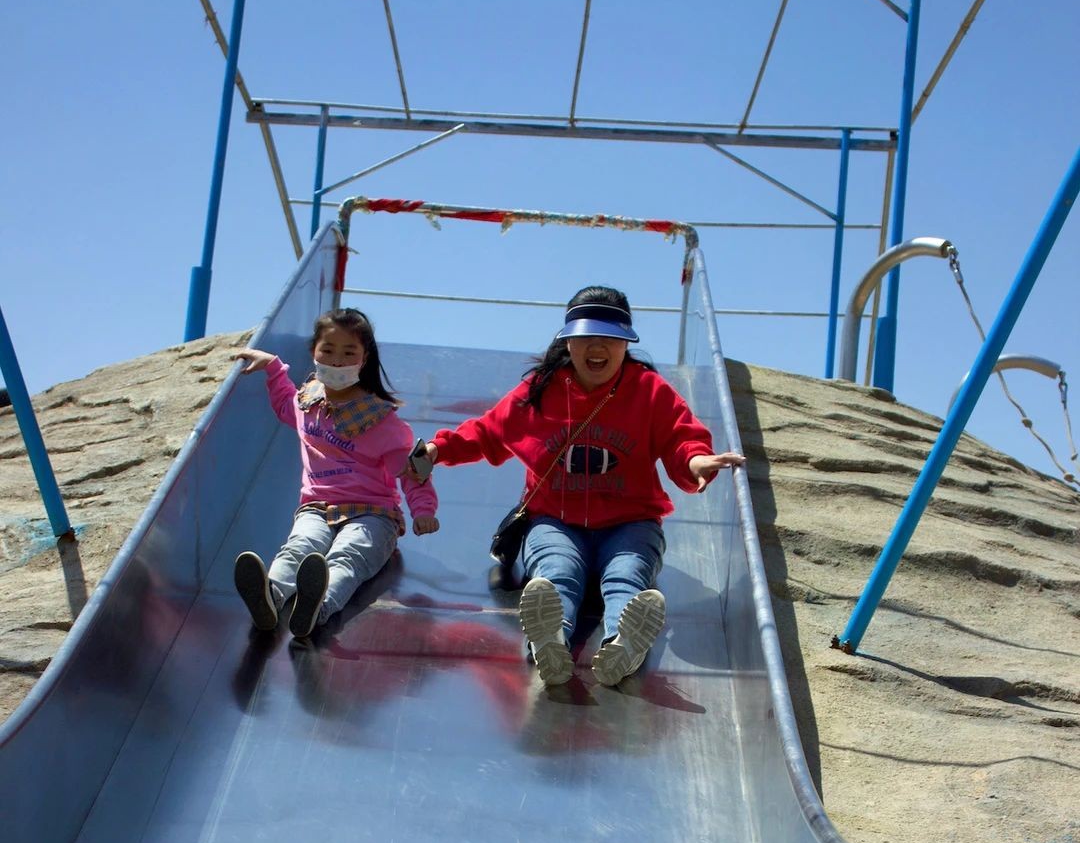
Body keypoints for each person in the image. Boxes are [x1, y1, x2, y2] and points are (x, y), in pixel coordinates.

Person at [411, 286, 744, 687]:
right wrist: (436, 448)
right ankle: (550, 640)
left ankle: (623, 643)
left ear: (626, 343)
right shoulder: (540, 392)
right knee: (557, 571)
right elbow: (487, 432)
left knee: (626, 574)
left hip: (630, 522)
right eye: (586, 337)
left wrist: (695, 460)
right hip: (555, 520)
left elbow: (680, 436)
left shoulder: (648, 391)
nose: (597, 347)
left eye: (610, 338)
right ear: (568, 341)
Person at [232, 308, 438, 639]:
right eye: (328, 351)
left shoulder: (381, 420)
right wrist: (273, 367)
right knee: (301, 546)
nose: (337, 361)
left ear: (364, 358)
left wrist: (424, 509)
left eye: (348, 353)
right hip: (317, 506)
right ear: (313, 351)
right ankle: (269, 595)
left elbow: (411, 471)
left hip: (373, 514)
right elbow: (288, 407)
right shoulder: (309, 401)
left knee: (349, 553)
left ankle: (319, 607)